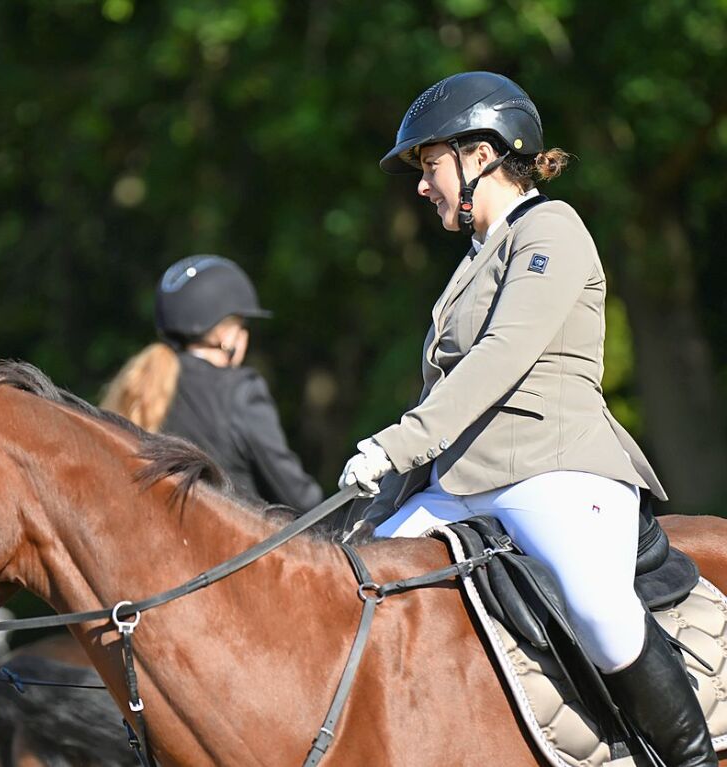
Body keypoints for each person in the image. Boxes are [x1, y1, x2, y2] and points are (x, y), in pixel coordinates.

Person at [338, 72, 716, 766]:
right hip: (460, 484)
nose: (423, 187)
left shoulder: (552, 228)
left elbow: (502, 356)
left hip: (557, 469)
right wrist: (380, 492)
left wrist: (391, 444)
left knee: (601, 614)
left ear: (481, 154)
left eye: (429, 166)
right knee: (352, 583)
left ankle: (692, 757)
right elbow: (445, 390)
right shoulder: (473, 260)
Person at [102, 255, 324, 511]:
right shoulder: (241, 391)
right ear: (226, 335)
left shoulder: (141, 383)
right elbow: (297, 496)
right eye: (242, 325)